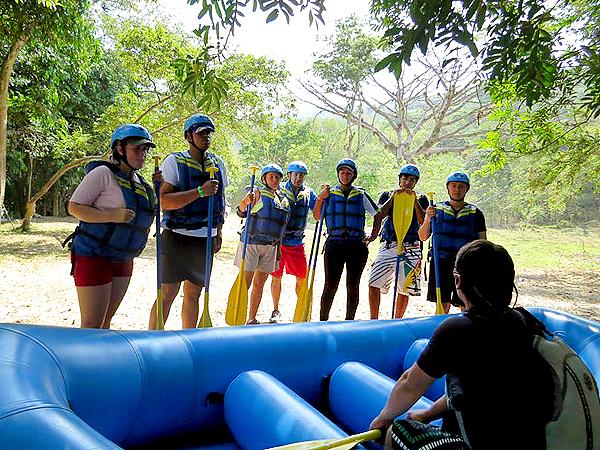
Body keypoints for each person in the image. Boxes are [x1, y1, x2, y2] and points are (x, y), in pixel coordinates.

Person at [370, 240, 555, 450]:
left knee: (397, 433)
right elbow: (473, 389)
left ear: (458, 281)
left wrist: (384, 417)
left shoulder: (456, 330)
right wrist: (429, 414)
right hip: (532, 441)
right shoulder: (524, 322)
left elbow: (410, 384)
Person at [67, 124, 158, 329]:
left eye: (145, 149)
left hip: (124, 258)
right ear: (119, 149)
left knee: (106, 323)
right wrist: (112, 215)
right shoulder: (102, 174)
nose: (142, 154)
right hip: (94, 255)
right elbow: (74, 207)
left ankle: (99, 361)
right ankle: (84, 361)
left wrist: (157, 188)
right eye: (137, 149)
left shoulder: (141, 183)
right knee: (92, 325)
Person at [148, 114, 227, 329]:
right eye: (201, 132)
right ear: (188, 136)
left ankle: (189, 340)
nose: (205, 136)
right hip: (176, 236)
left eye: (208, 132)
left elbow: (220, 202)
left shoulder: (218, 164)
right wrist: (200, 191)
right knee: (168, 293)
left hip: (205, 239)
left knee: (194, 294)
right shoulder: (174, 161)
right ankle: (153, 338)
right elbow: (164, 201)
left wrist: (218, 232)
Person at [314, 158, 380, 321]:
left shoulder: (361, 194)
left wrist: (373, 235)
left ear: (353, 176)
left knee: (352, 285)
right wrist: (320, 198)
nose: (345, 176)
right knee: (330, 285)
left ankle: (349, 320)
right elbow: (317, 216)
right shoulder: (328, 194)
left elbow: (377, 214)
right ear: (338, 174)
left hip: (356, 245)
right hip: (334, 244)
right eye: (342, 172)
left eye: (348, 173)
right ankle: (323, 320)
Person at [418, 171, 486, 314]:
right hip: (441, 262)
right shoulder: (435, 210)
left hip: (466, 265)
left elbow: (482, 243)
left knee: (466, 303)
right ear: (448, 188)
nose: (457, 190)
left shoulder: (475, 213)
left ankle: (465, 330)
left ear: (467, 189)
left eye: (461, 186)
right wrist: (427, 219)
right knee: (442, 304)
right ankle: (443, 332)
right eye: (453, 186)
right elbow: (422, 237)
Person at [367, 164, 428, 319]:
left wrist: (414, 201)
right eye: (405, 178)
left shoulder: (421, 198)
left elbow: (423, 221)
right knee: (373, 283)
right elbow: (379, 215)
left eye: (412, 180)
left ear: (415, 182)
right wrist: (393, 198)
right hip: (389, 244)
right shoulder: (387, 194)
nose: (408, 182)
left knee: (404, 288)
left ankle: (397, 320)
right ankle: (374, 320)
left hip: (412, 246)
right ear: (400, 179)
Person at [235, 163, 290, 325]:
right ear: (264, 179)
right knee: (245, 283)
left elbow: (282, 227)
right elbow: (241, 212)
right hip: (251, 243)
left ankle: (251, 318)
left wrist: (279, 248)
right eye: (270, 177)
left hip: (271, 246)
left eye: (276, 177)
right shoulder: (256, 193)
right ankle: (237, 316)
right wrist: (245, 202)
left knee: (259, 283)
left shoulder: (283, 200)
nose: (274, 180)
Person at [269, 161, 317, 323]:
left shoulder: (309, 193)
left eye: (301, 175)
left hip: (297, 243)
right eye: (295, 174)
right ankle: (275, 310)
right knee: (276, 277)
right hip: (278, 242)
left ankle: (301, 308)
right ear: (289, 175)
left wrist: (323, 199)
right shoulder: (279, 189)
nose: (298, 178)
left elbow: (317, 214)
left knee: (302, 278)